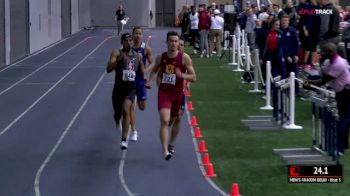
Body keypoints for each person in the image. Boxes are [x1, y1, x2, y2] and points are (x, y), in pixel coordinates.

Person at [149, 31, 196, 160]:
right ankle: (165, 151)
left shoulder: (184, 58)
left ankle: (171, 143)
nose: (174, 44)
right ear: (167, 42)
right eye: (171, 41)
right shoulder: (161, 57)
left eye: (176, 41)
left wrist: (183, 76)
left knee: (173, 120)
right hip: (164, 93)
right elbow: (154, 72)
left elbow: (194, 77)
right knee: (164, 120)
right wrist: (150, 81)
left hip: (178, 94)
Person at [304, 42, 350, 155]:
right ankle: (343, 146)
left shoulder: (338, 64)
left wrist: (309, 84)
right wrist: (310, 82)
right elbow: (322, 76)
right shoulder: (330, 62)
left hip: (347, 93)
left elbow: (324, 80)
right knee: (345, 120)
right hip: (341, 93)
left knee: (344, 120)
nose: (321, 55)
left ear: (329, 53)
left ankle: (339, 148)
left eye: (323, 53)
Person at [106, 33, 145, 150]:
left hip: (130, 88)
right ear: (122, 42)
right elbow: (108, 69)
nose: (129, 42)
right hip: (118, 88)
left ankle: (124, 140)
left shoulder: (138, 56)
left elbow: (142, 71)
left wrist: (146, 80)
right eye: (126, 40)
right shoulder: (117, 53)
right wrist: (118, 61)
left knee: (126, 109)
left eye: (130, 40)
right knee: (118, 113)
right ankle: (117, 119)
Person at [128, 26, 154, 141]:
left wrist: (146, 72)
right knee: (130, 107)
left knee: (142, 107)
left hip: (140, 80)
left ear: (141, 35)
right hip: (129, 81)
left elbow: (153, 64)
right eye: (136, 33)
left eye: (139, 33)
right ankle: (134, 131)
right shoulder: (128, 48)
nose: (137, 35)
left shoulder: (146, 49)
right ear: (132, 34)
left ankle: (132, 124)